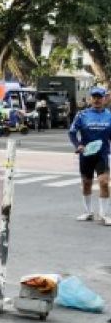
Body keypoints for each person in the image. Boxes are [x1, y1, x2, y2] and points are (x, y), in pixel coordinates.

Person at [68, 85, 111, 224]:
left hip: (102, 155)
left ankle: (104, 215)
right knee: (87, 184)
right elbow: (72, 132)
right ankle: (88, 212)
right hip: (86, 155)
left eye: (100, 97)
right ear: (90, 99)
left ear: (105, 99)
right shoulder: (82, 115)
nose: (97, 100)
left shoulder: (109, 115)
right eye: (94, 97)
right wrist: (78, 145)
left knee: (104, 182)